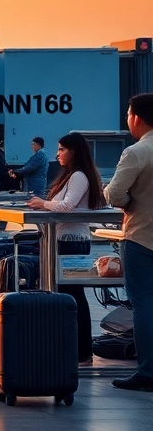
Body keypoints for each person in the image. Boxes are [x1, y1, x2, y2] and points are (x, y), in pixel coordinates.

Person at [26, 132, 104, 365]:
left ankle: (81, 351)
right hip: (65, 239)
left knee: (74, 296)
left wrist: (42, 204)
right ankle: (76, 349)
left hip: (72, 240)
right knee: (70, 295)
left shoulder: (79, 176)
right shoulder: (73, 175)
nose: (57, 154)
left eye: (61, 149)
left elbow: (68, 206)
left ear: (74, 151)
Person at [107, 93, 153, 391]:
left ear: (136, 117)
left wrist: (128, 201)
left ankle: (148, 371)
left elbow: (113, 194)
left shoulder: (138, 152)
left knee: (145, 305)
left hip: (142, 238)